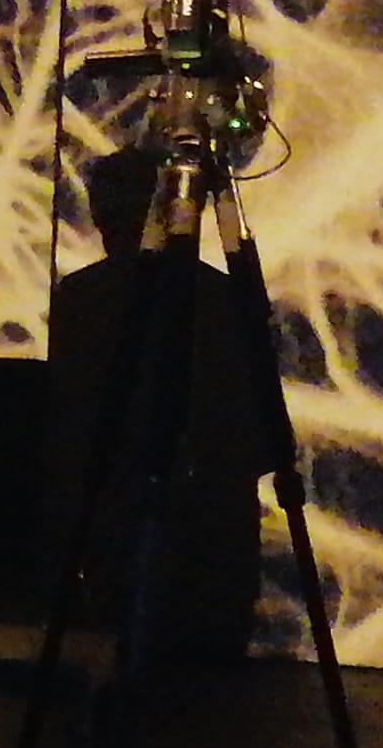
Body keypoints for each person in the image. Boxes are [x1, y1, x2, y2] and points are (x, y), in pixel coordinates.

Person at [47, 144, 270, 667]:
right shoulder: (223, 298)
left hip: (117, 533)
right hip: (210, 552)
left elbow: (68, 429)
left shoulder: (81, 298)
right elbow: (251, 433)